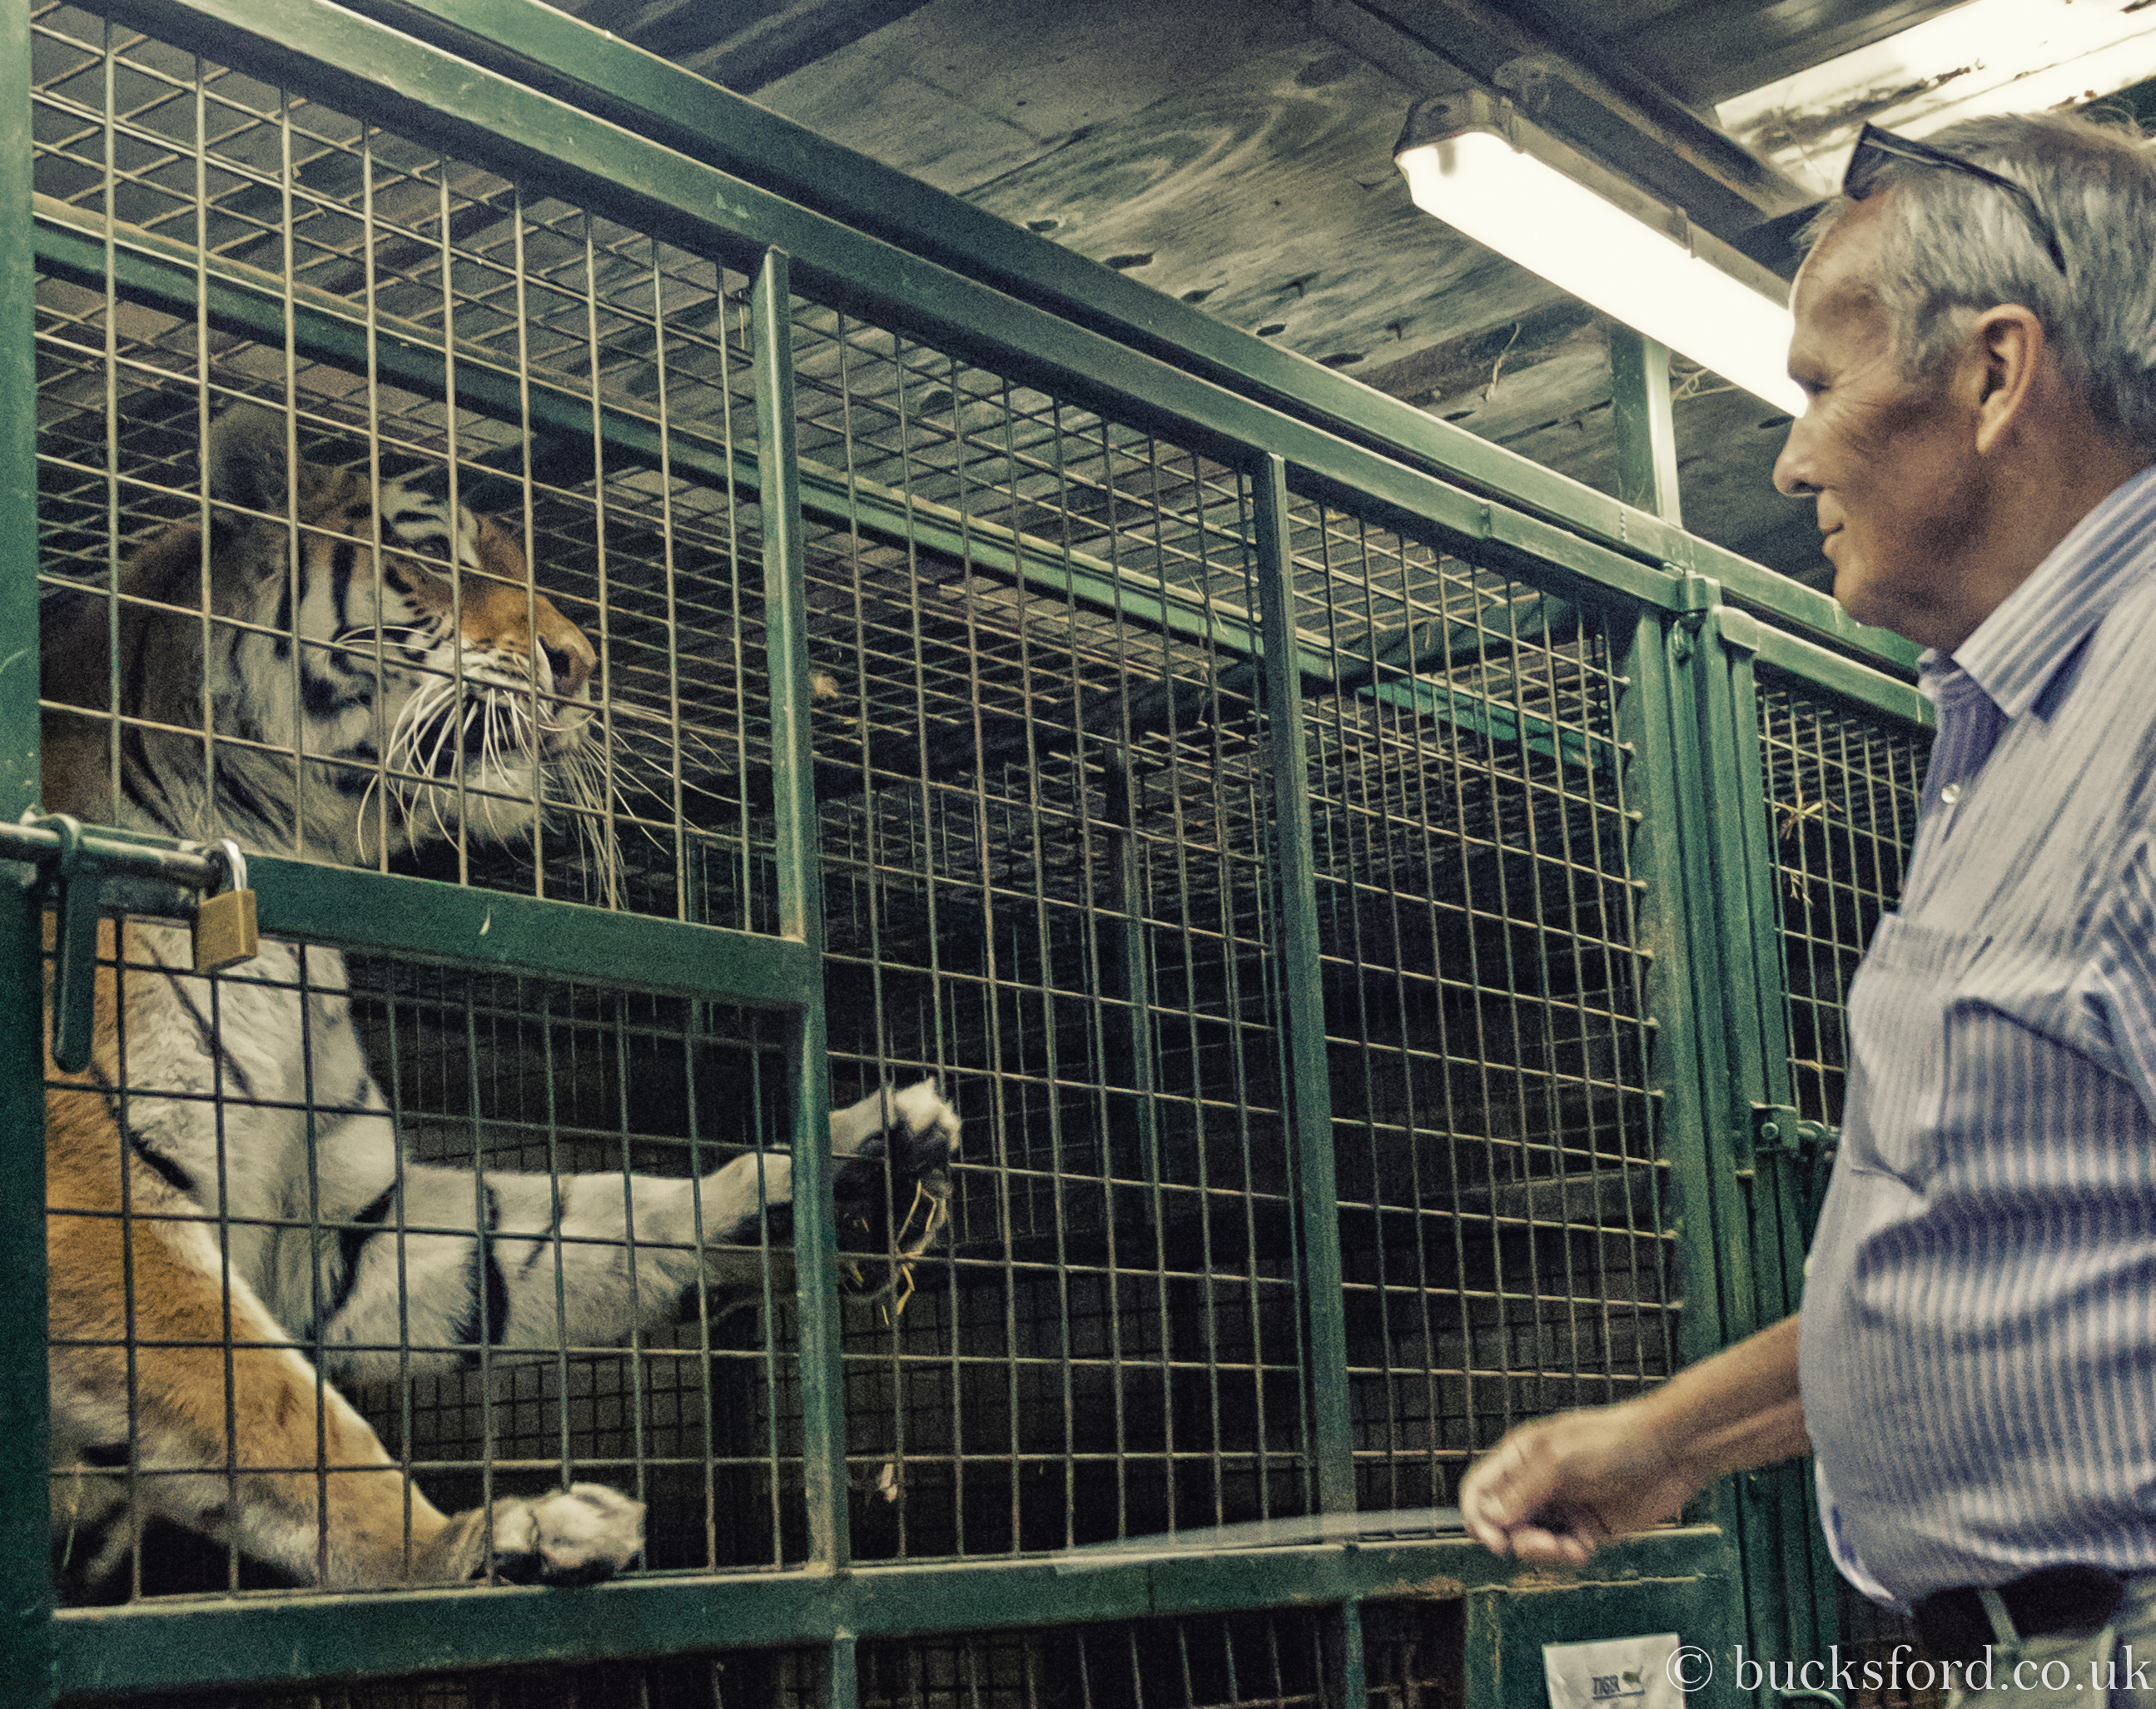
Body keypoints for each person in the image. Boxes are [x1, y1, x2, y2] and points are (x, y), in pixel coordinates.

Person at [1458, 111, 2156, 1706]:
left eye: (1820, 386)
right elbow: (2015, 1249)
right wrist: (1671, 1438)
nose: (1787, 461)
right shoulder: (2012, 731)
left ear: (1993, 374)